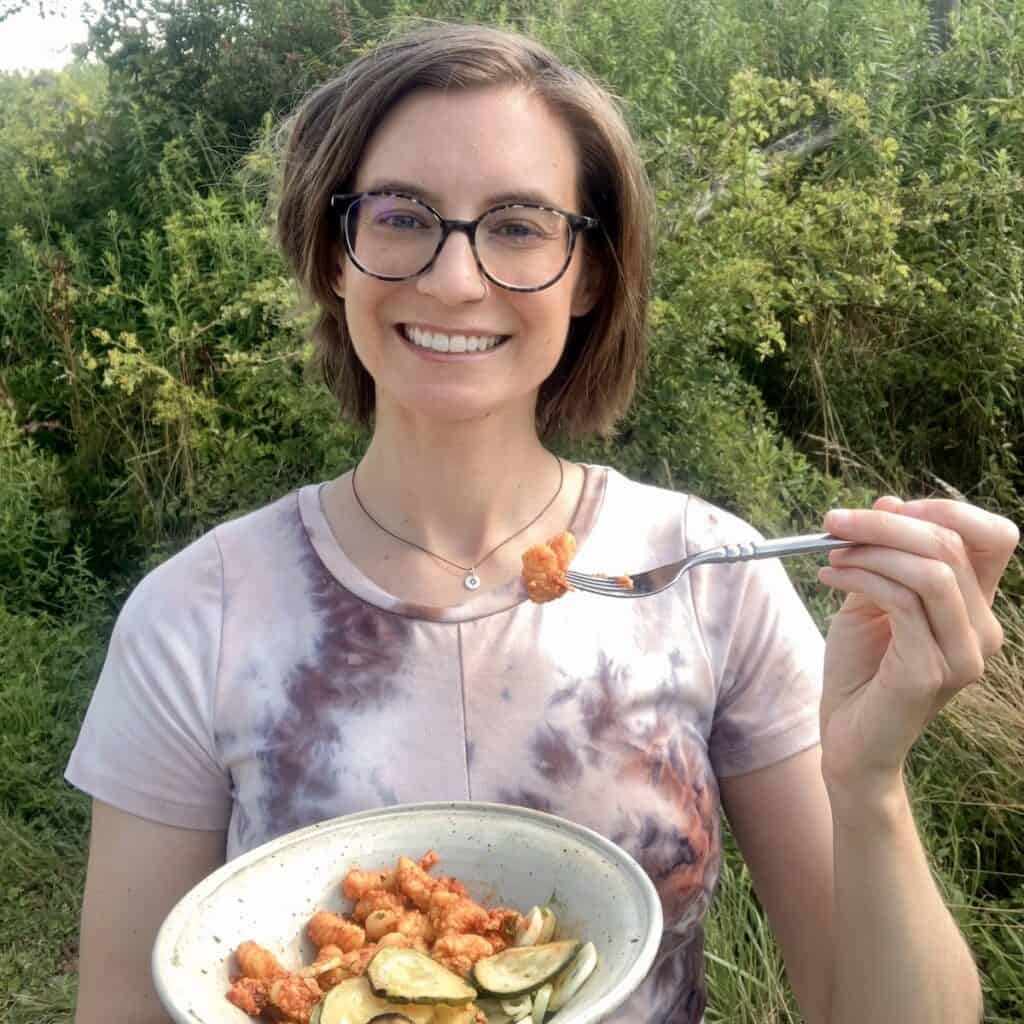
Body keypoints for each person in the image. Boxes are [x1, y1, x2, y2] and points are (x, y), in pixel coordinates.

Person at [66, 22, 1018, 1024]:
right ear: (333, 252)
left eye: (518, 226)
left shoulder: (711, 578)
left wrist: (867, 781)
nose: (454, 279)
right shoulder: (193, 615)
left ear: (589, 271)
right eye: (400, 215)